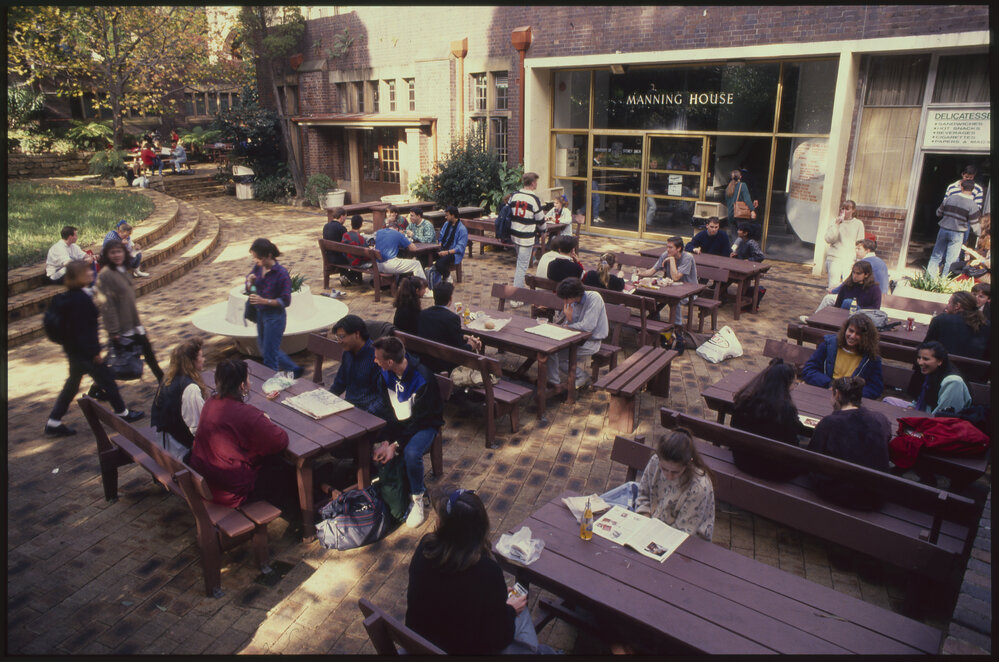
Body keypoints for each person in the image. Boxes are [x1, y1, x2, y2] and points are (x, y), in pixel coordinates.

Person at [406, 489, 553, 654]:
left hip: (421, 646)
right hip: (463, 649)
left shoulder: (425, 548)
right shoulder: (487, 571)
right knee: (521, 610)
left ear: (444, 525)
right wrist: (510, 610)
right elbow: (499, 638)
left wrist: (494, 598)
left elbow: (453, 597)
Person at [44, 260, 144, 436]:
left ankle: (53, 422)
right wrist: (95, 353)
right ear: (78, 276)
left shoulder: (65, 298)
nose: (91, 273)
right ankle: (122, 413)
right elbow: (86, 331)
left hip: (73, 351)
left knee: (72, 385)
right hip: (87, 354)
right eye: (87, 272)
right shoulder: (82, 300)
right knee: (108, 380)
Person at [189, 359, 297, 513]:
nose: (250, 383)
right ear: (241, 385)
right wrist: (263, 420)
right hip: (232, 491)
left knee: (272, 460)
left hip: (209, 481)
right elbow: (280, 441)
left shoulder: (211, 403)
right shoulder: (246, 415)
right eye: (248, 379)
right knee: (284, 470)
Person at [371, 336, 445, 528]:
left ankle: (417, 498)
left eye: (377, 358)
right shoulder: (385, 374)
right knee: (369, 437)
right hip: (402, 424)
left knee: (411, 453)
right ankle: (389, 482)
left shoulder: (422, 378)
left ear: (390, 362)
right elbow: (387, 409)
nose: (374, 360)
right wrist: (386, 441)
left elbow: (421, 420)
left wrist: (395, 445)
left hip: (425, 424)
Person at [807, 376, 891, 511]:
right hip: (873, 497)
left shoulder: (829, 422)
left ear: (837, 394)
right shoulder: (879, 419)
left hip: (837, 493)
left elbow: (811, 456)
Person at [95, 239, 165, 382]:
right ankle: (99, 387)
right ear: (107, 255)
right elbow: (107, 306)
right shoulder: (105, 276)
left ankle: (162, 380)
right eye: (112, 252)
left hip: (134, 325)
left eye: (119, 251)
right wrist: (114, 331)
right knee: (117, 360)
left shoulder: (122, 271)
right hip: (122, 328)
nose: (116, 255)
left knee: (147, 351)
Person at [730, 358, 803, 481]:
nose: (795, 387)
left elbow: (734, 426)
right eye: (794, 383)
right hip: (773, 472)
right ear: (785, 384)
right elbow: (792, 445)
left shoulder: (746, 399)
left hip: (742, 461)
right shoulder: (785, 410)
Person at [635, 430, 716, 541]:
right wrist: (645, 517)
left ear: (687, 464)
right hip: (653, 527)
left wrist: (653, 535)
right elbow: (643, 494)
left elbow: (685, 530)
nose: (669, 476)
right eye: (664, 469)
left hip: (687, 540)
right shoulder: (655, 461)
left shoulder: (699, 486)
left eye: (675, 472)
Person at [245, 238, 304, 378]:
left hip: (274, 318)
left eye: (259, 258)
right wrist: (250, 283)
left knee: (269, 356)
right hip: (260, 314)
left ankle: (271, 381)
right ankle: (294, 369)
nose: (256, 261)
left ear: (269, 256)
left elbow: (286, 301)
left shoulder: (281, 274)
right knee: (266, 349)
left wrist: (264, 301)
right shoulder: (258, 268)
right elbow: (251, 289)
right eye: (254, 257)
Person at [801, 313, 883, 399]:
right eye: (851, 331)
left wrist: (851, 392)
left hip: (851, 399)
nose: (852, 336)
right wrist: (829, 384)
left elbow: (875, 388)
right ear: (845, 329)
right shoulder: (829, 345)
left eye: (858, 334)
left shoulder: (871, 357)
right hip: (825, 392)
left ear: (866, 337)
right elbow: (809, 370)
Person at [150, 338, 208, 459]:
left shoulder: (168, 379)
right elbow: (199, 427)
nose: (204, 359)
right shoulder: (190, 388)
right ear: (192, 362)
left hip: (167, 442)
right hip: (180, 451)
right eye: (201, 356)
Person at [548, 278, 607, 391]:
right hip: (574, 339)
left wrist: (569, 322)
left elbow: (588, 326)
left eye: (566, 298)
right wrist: (568, 320)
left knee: (553, 354)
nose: (565, 301)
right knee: (550, 352)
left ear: (574, 295)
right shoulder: (572, 302)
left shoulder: (594, 298)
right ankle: (557, 383)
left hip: (591, 341)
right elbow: (567, 324)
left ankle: (555, 385)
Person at [328, 315, 390, 419]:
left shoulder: (377, 357)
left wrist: (365, 414)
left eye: (342, 337)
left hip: (369, 414)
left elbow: (384, 398)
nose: (339, 341)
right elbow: (339, 383)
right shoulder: (347, 352)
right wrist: (325, 400)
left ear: (357, 334)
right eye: (337, 337)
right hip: (349, 407)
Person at [884, 342, 972, 415]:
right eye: (919, 358)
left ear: (940, 361)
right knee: (888, 401)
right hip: (924, 410)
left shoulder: (953, 382)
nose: (920, 362)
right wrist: (912, 407)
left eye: (926, 359)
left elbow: (943, 415)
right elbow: (921, 397)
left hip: (936, 422)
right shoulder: (931, 371)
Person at [417, 282, 483, 372]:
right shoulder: (452, 318)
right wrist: (470, 346)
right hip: (444, 365)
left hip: (426, 361)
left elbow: (443, 335)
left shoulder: (423, 314)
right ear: (450, 299)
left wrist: (465, 337)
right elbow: (458, 351)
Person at [927, 179, 983, 277]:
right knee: (951, 261)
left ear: (961, 187)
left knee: (936, 256)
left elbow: (938, 213)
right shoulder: (973, 205)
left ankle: (929, 279)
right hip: (957, 233)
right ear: (973, 189)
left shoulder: (950, 198)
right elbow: (975, 226)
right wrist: (981, 235)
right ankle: (944, 281)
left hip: (943, 230)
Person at [638, 236, 697, 326]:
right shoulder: (665, 254)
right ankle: (654, 319)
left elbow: (676, 277)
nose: (667, 250)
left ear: (679, 248)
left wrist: (672, 260)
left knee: (674, 299)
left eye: (670, 247)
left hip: (689, 292)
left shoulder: (687, 258)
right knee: (651, 294)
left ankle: (677, 326)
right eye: (667, 247)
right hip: (671, 288)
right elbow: (652, 270)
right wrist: (641, 273)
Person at [508, 172, 547, 306]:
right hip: (526, 237)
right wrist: (544, 230)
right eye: (536, 182)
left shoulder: (514, 195)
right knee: (522, 266)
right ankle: (516, 298)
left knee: (520, 263)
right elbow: (540, 220)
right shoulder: (533, 199)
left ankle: (520, 291)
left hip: (514, 235)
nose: (537, 184)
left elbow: (508, 211)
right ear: (532, 183)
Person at [924, 291, 990, 361]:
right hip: (975, 367)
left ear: (957, 306)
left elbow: (926, 347)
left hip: (944, 365)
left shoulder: (941, 320)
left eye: (949, 302)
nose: (947, 305)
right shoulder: (987, 325)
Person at [942, 165, 985, 261]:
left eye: (971, 177)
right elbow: (945, 202)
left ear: (974, 176)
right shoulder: (952, 187)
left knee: (960, 245)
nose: (968, 179)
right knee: (944, 244)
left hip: (965, 222)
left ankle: (953, 265)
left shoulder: (978, 189)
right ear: (962, 174)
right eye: (966, 177)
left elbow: (977, 207)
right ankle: (942, 264)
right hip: (949, 220)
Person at [823, 200, 864, 289]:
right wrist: (837, 225)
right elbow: (829, 239)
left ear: (853, 210)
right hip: (834, 258)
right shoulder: (834, 221)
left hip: (849, 259)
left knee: (849, 287)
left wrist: (857, 260)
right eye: (842, 208)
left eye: (847, 209)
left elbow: (860, 243)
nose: (844, 211)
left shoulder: (858, 224)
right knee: (833, 287)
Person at [374, 225, 431, 289]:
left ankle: (404, 284)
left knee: (401, 260)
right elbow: (413, 249)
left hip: (377, 265)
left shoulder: (379, 232)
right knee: (416, 264)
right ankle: (424, 289)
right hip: (389, 266)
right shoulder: (397, 234)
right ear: (397, 229)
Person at [434, 206, 468, 284]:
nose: (445, 217)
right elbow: (441, 236)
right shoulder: (447, 224)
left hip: (454, 253)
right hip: (443, 248)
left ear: (453, 215)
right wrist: (440, 244)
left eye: (447, 215)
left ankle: (447, 275)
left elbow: (460, 247)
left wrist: (447, 252)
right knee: (425, 257)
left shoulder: (462, 229)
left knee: (439, 264)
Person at [322, 206, 350, 284]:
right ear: (341, 217)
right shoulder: (342, 228)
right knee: (354, 257)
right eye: (345, 217)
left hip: (328, 257)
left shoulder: (326, 226)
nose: (345, 220)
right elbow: (348, 245)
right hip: (339, 259)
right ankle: (350, 277)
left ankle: (345, 277)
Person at [338, 214, 367, 285]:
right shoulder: (360, 238)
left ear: (351, 224)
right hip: (357, 262)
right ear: (361, 225)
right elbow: (366, 253)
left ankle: (348, 277)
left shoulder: (345, 235)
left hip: (347, 259)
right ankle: (349, 277)